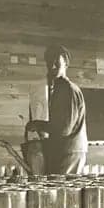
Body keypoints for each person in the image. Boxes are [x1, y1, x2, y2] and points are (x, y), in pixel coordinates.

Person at [26, 45, 88, 174]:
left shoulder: (67, 89)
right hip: (66, 150)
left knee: (64, 192)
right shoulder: (59, 89)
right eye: (49, 62)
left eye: (56, 62)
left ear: (65, 62)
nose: (52, 66)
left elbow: (64, 129)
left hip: (69, 152)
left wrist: (37, 124)